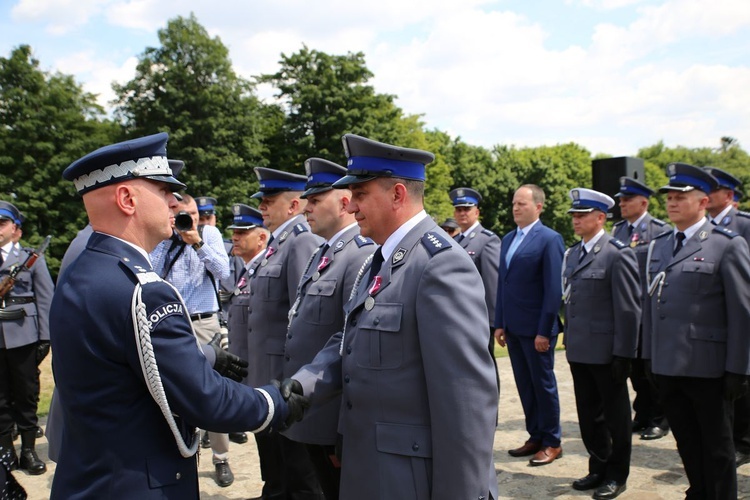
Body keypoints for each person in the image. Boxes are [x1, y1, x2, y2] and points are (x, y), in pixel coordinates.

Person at [50, 132, 305, 499]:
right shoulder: (144, 290)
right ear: (126, 199)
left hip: (93, 478)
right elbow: (205, 399)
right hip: (140, 483)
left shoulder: (82, 270)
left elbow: (117, 365)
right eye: (163, 189)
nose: (175, 203)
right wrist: (274, 403)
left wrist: (204, 355)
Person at [286, 134, 499, 500]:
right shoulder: (381, 259)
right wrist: (299, 387)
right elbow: (350, 343)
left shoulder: (440, 264)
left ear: (398, 194)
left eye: (361, 194)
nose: (351, 206)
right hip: (371, 467)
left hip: (410, 479)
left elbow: (467, 405)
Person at [645, 163, 750, 499]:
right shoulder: (661, 245)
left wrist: (739, 368)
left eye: (681, 197)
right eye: (669, 198)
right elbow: (653, 305)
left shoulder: (726, 245)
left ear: (704, 202)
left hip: (709, 368)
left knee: (718, 450)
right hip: (669, 366)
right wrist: (650, 357)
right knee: (687, 443)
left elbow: (742, 312)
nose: (672, 203)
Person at [283, 158, 376, 499]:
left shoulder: (359, 255)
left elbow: (350, 345)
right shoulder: (324, 253)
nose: (306, 208)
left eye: (315, 199)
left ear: (343, 202)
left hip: (330, 416)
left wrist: (342, 429)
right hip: (310, 407)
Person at [244, 167, 325, 500]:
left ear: (294, 206)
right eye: (261, 201)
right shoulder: (276, 246)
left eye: (269, 200)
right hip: (268, 380)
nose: (262, 206)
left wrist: (294, 384)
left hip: (284, 381)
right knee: (276, 475)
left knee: (298, 479)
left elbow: (303, 319)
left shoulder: (301, 242)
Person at [150, 193, 236, 487]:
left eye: (192, 214)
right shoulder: (163, 239)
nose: (187, 220)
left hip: (204, 321)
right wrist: (173, 238)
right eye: (180, 215)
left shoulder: (209, 234)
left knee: (212, 388)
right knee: (176, 388)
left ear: (199, 214)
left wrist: (196, 243)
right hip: (173, 322)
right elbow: (150, 271)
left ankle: (221, 457)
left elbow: (226, 276)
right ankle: (184, 450)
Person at [562, 188, 640, 500]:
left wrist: (625, 353)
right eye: (574, 215)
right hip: (580, 350)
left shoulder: (616, 253)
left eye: (582, 215)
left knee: (616, 417)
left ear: (600, 217)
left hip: (608, 354)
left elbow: (629, 309)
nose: (576, 220)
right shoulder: (574, 253)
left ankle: (617, 474)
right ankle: (598, 467)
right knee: (588, 414)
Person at [494, 185, 565, 466]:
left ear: (538, 207)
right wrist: (500, 323)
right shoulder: (508, 239)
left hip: (536, 330)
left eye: (522, 203)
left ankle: (552, 441)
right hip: (513, 328)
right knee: (525, 386)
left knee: (543, 386)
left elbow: (552, 290)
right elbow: (503, 284)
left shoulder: (550, 239)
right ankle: (535, 435)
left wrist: (544, 330)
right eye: (513, 203)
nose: (515, 208)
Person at [611, 177, 671, 441]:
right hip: (627, 310)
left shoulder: (659, 230)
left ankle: (660, 419)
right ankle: (643, 413)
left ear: (643, 202)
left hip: (649, 310)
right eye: (621, 200)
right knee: (634, 368)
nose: (621, 204)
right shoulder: (618, 231)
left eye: (627, 200)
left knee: (651, 368)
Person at [0, 201, 53, 475]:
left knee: (26, 393)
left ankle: (29, 450)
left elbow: (45, 299)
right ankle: (6, 450)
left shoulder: (30, 259)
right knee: (0, 396)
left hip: (24, 336)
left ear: (16, 230)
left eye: (2, 224)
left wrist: (45, 337)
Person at [703, 166, 750, 468]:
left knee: (743, 382)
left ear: (728, 195)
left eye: (712, 189)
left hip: (741, 310)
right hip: (713, 318)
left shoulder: (743, 225)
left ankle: (743, 443)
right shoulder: (702, 227)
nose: (705, 194)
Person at [450, 187, 502, 391]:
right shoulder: (454, 241)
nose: (462, 213)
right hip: (459, 318)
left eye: (467, 209)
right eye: (459, 209)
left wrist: (493, 322)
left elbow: (492, 284)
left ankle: (492, 416)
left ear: (477, 212)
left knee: (485, 367)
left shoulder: (487, 240)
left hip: (480, 319)